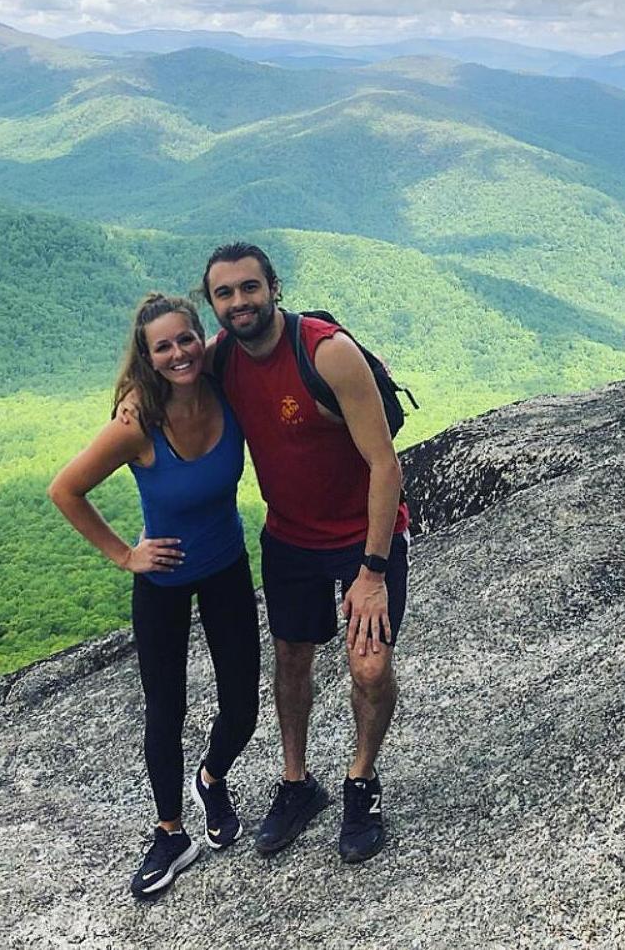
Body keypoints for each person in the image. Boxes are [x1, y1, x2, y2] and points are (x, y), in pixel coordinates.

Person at [202, 243, 409, 864]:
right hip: (290, 537)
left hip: (362, 537)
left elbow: (384, 464)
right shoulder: (221, 361)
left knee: (368, 666)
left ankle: (362, 781)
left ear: (274, 288)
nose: (239, 302)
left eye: (249, 288)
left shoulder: (325, 353)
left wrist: (371, 572)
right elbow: (165, 390)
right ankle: (297, 783)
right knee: (292, 660)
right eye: (224, 293)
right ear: (212, 303)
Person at [48, 293, 260, 901]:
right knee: (165, 712)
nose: (177, 353)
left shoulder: (223, 381)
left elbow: (266, 338)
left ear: (203, 339)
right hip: (162, 581)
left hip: (226, 566)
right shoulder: (137, 420)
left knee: (242, 703)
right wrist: (125, 554)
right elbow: (65, 489)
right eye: (162, 346)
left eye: (185, 340)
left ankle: (212, 777)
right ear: (147, 356)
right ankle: (171, 832)